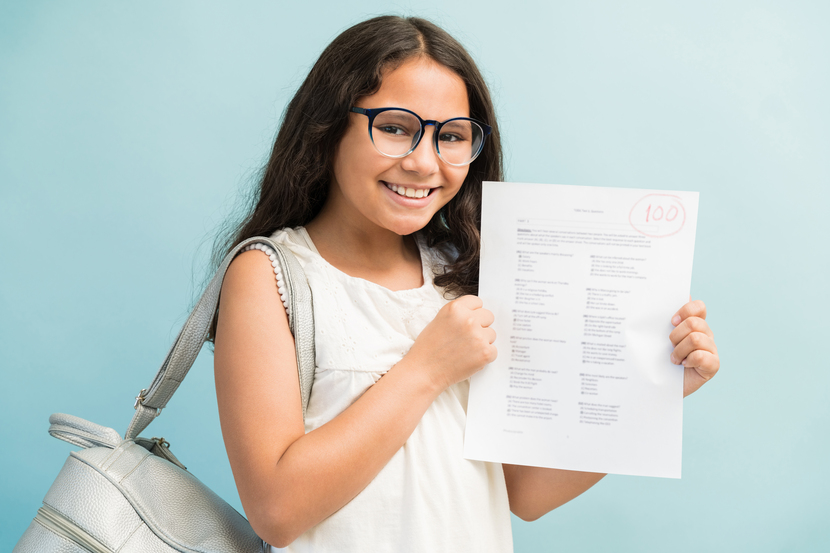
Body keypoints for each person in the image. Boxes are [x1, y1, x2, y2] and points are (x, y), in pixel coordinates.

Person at [210, 15, 720, 552]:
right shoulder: (270, 275)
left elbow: (524, 492)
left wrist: (654, 391)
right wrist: (426, 369)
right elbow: (277, 510)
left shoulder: (469, 275)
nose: (424, 162)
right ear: (328, 125)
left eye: (451, 136)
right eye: (394, 127)